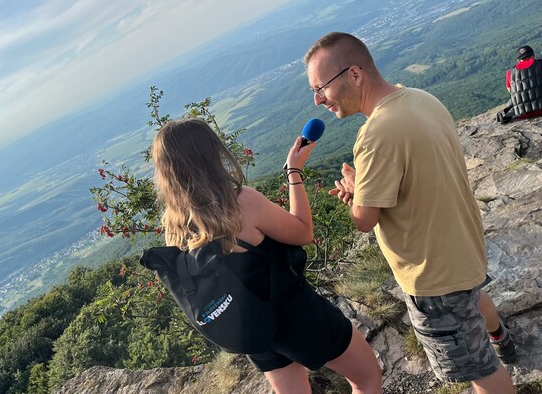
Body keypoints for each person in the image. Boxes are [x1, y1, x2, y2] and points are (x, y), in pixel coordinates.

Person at [303, 32, 516, 394]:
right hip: (461, 248)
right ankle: (501, 338)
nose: (318, 99)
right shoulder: (419, 98)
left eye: (321, 86)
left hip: (432, 274)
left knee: (480, 370)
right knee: (471, 300)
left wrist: (356, 193)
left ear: (355, 74)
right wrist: (366, 186)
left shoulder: (376, 134)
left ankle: (496, 355)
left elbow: (364, 220)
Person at [151, 118, 382, 393]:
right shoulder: (240, 202)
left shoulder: (175, 226)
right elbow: (303, 232)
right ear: (210, 154)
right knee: (367, 378)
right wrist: (294, 171)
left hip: (255, 331)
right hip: (299, 316)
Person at [505, 45, 542, 119]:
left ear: (518, 60)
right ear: (533, 55)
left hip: (522, 114)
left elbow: (511, 91)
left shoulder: (510, 72)